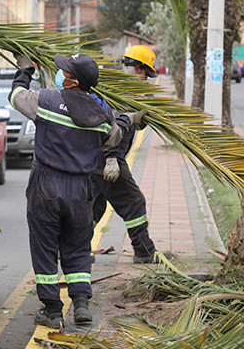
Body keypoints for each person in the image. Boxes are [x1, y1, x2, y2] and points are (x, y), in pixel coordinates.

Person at [9, 53, 146, 328]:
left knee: (45, 246)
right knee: (78, 245)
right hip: (81, 189)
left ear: (72, 81)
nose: (61, 74)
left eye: (65, 72)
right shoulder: (100, 113)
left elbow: (16, 97)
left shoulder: (47, 100)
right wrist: (128, 119)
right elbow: (113, 137)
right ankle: (81, 304)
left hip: (46, 184)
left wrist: (25, 71)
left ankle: (52, 310)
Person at [92, 45, 174, 264]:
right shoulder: (118, 92)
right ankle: (144, 250)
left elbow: (131, 123)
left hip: (96, 157)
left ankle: (74, 250)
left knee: (94, 206)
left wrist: (143, 117)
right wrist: (111, 157)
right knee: (134, 202)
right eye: (145, 72)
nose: (146, 77)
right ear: (137, 68)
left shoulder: (124, 89)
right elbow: (109, 125)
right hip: (108, 157)